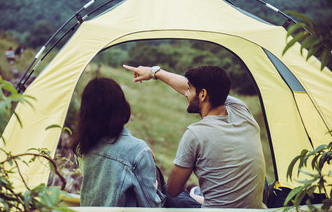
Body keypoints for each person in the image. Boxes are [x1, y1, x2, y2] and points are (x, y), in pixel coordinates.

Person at [123, 64, 266, 209]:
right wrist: (154, 73)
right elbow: (194, 88)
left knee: (168, 194)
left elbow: (174, 190)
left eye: (190, 89)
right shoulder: (241, 109)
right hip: (255, 210)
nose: (186, 93)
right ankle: (196, 194)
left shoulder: (195, 134)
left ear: (203, 94)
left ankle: (195, 194)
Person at [70, 77, 165, 207]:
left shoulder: (82, 144)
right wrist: (155, 181)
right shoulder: (138, 151)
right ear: (121, 107)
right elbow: (152, 206)